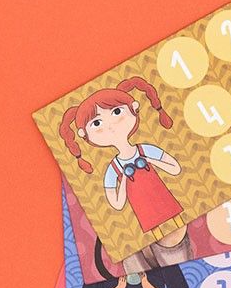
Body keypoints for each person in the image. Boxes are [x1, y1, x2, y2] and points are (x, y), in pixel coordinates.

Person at [59, 76, 186, 243]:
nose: (110, 125)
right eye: (96, 123)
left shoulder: (144, 150)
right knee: (157, 237)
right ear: (84, 135)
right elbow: (117, 204)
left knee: (180, 223)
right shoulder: (114, 169)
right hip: (147, 217)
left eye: (117, 112)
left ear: (134, 108)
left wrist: (150, 160)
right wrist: (125, 178)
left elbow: (175, 169)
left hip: (167, 204)